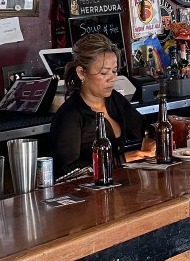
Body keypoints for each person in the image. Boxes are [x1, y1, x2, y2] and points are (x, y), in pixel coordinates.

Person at [49, 34, 146, 179]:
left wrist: (156, 135)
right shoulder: (70, 116)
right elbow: (66, 171)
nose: (112, 78)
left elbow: (142, 129)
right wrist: (122, 159)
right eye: (104, 73)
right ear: (82, 73)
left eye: (114, 71)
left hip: (120, 185)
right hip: (87, 195)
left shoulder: (115, 100)